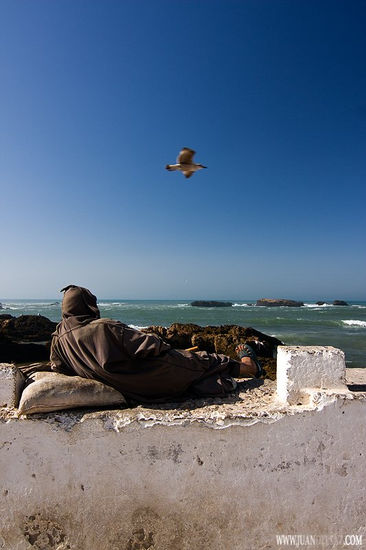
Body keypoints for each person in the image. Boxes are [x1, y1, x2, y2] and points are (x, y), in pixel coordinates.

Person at [50, 285, 264, 404]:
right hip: (151, 376)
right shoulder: (104, 327)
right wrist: (158, 340)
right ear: (89, 305)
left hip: (131, 391)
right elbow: (152, 346)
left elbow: (58, 368)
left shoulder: (58, 339)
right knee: (208, 360)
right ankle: (249, 367)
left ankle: (214, 384)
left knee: (194, 373)